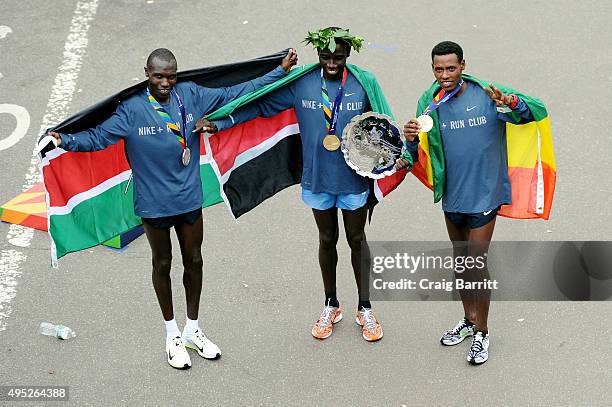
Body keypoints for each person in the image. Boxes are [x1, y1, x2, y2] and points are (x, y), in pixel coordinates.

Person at [47, 47, 297, 370]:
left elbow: (237, 92)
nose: (165, 82)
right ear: (147, 74)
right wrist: (64, 141)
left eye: (171, 76)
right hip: (153, 206)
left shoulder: (190, 95)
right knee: (162, 263)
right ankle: (172, 335)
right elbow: (96, 138)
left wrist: (279, 70)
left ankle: (193, 329)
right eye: (158, 76)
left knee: (194, 261)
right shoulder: (131, 111)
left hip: (189, 198)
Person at [207, 27, 386, 342]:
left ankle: (365, 307)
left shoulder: (362, 83)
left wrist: (396, 154)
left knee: (357, 239)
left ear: (348, 56)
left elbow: (383, 126)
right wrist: (223, 121)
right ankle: (331, 303)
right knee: (326, 238)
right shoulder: (301, 82)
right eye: (327, 57)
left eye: (339, 57)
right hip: (317, 177)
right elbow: (261, 104)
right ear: (318, 54)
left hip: (353, 178)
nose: (332, 63)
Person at [402, 41, 537, 365]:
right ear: (432, 69)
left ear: (463, 65)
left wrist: (512, 103)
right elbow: (415, 155)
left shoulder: (487, 95)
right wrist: (408, 138)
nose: (445, 75)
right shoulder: (429, 102)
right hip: (453, 197)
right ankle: (468, 318)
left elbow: (529, 114)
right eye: (438, 69)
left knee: (476, 265)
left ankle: (482, 332)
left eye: (451, 68)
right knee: (462, 263)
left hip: (485, 196)